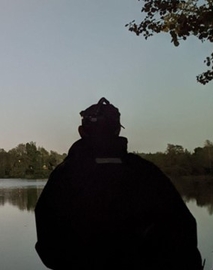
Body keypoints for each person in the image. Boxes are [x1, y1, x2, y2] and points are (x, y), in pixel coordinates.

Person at [34, 98, 202, 270]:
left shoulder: (63, 176)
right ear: (117, 131)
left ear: (81, 131)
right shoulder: (147, 173)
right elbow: (184, 237)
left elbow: (48, 247)